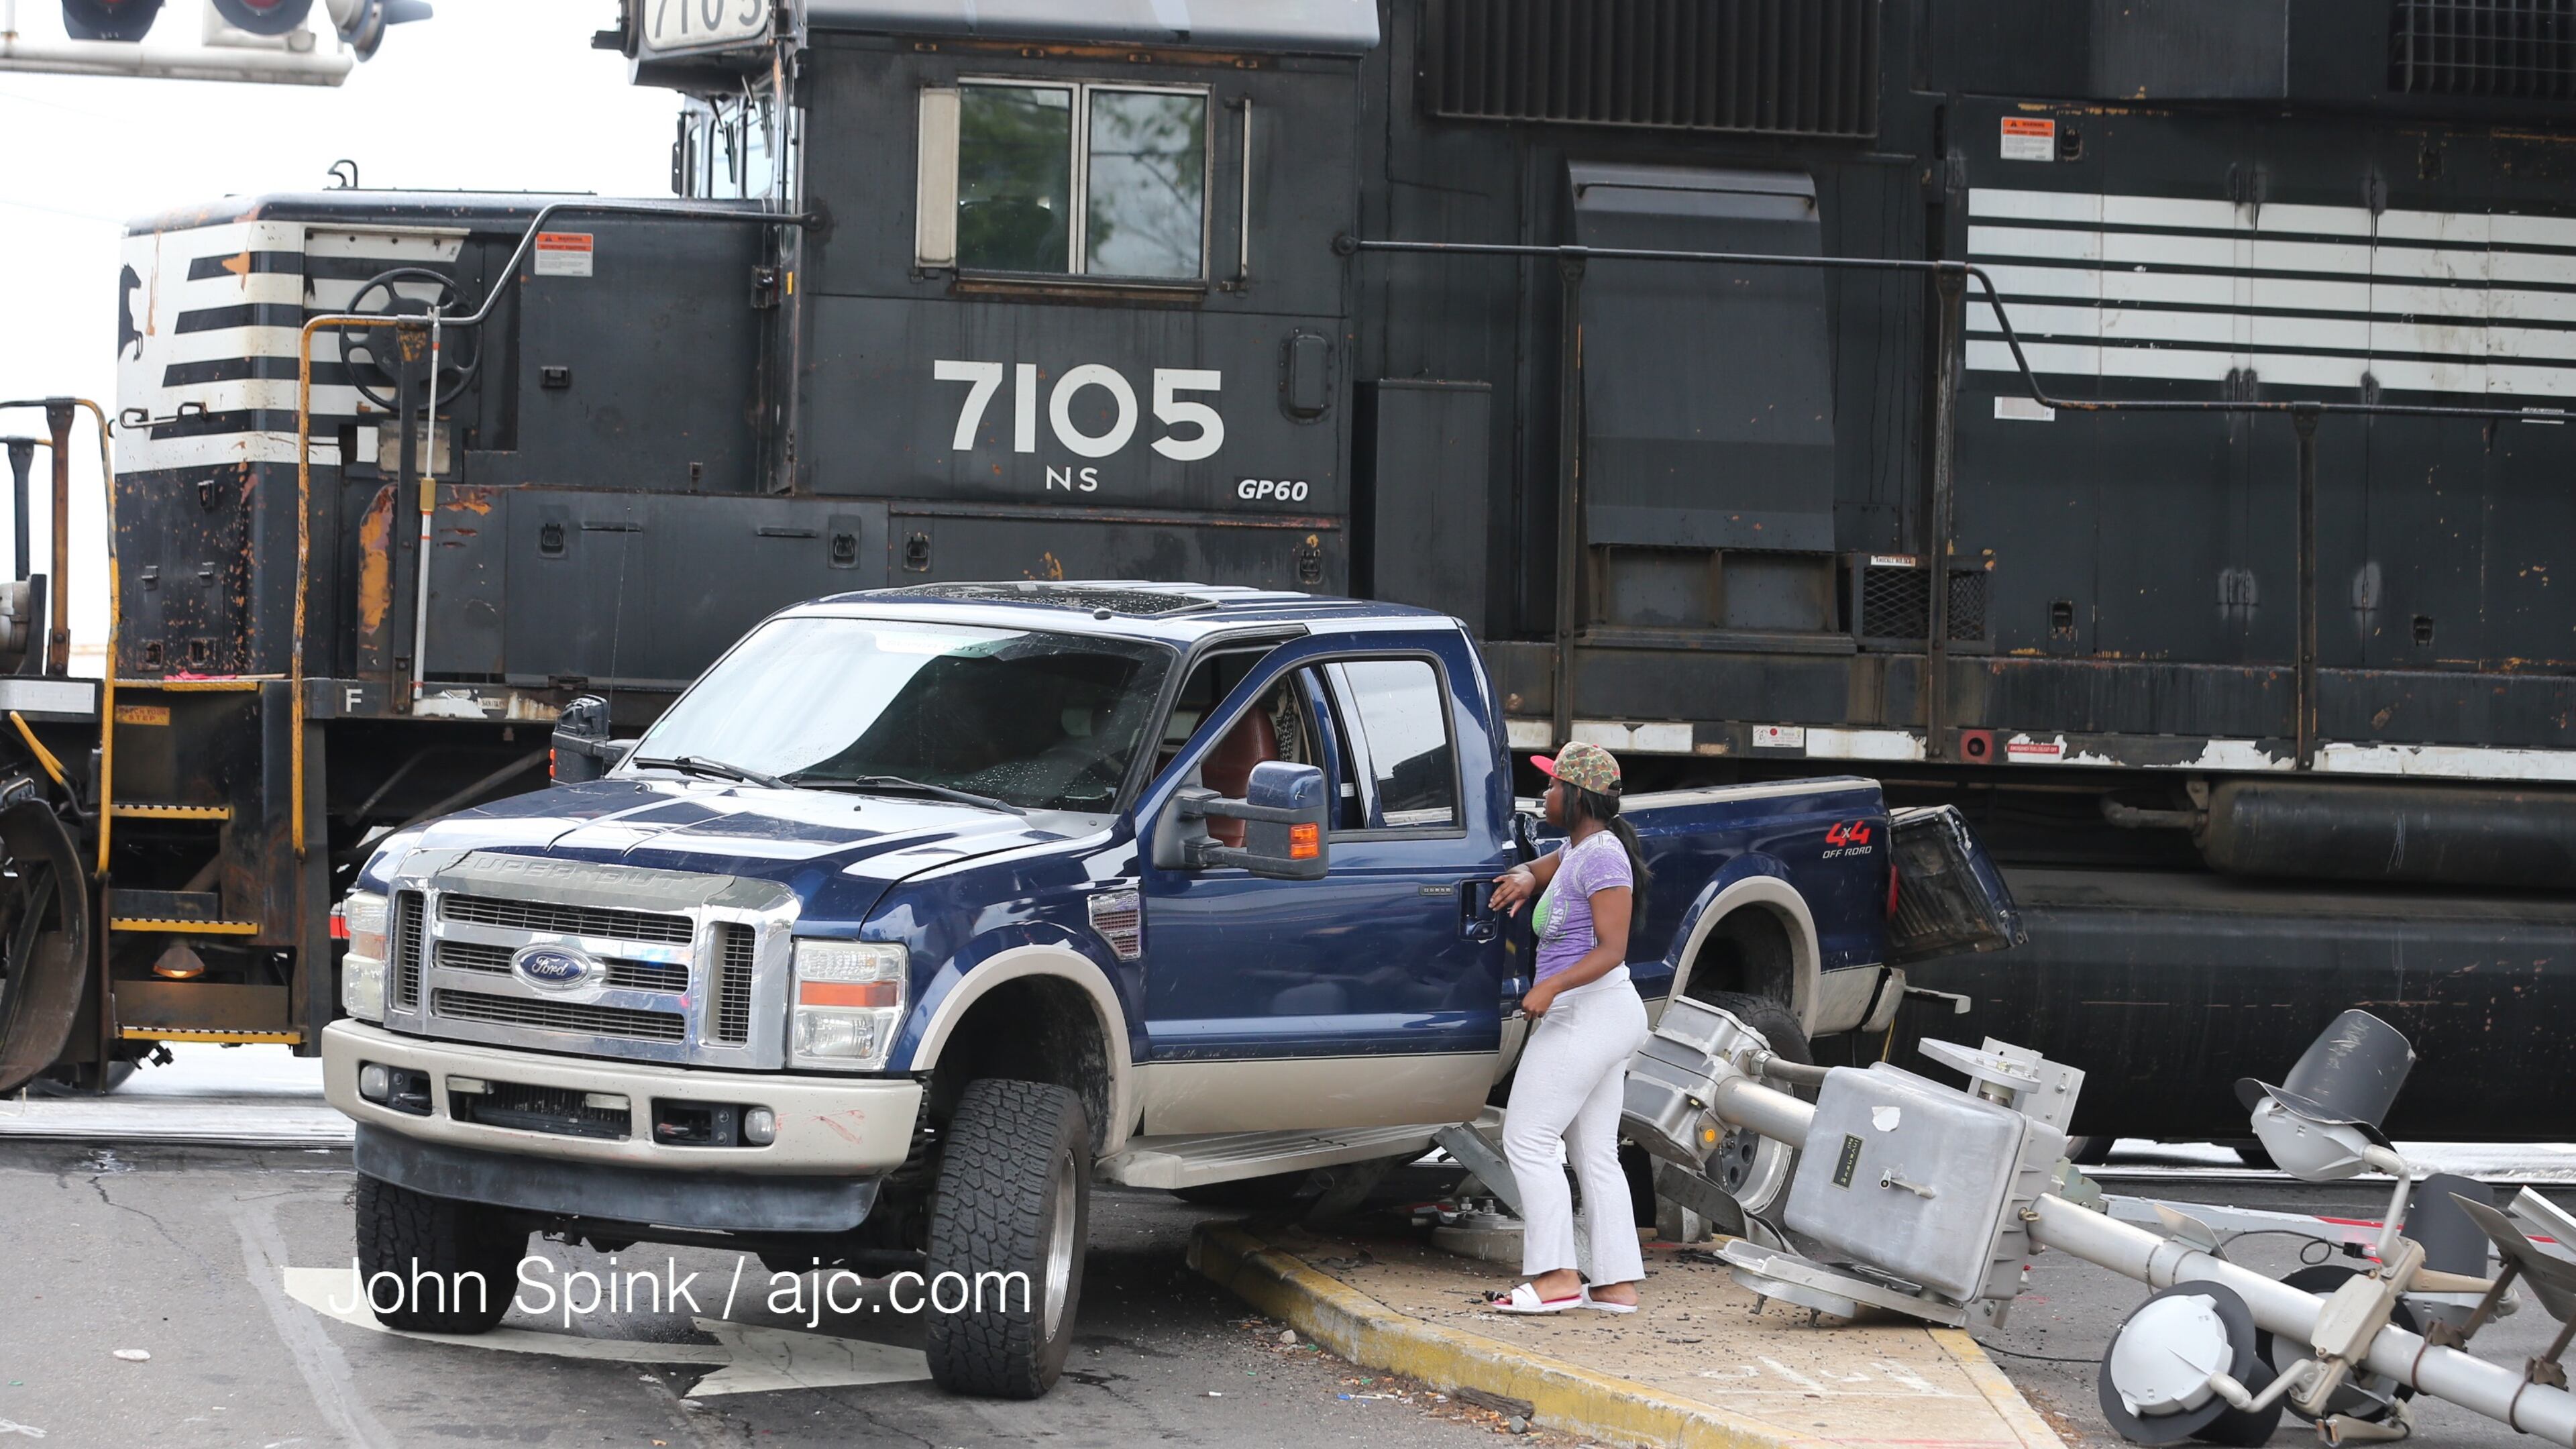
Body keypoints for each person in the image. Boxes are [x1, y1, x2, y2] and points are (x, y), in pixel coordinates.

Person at [1482, 741, 1654, 1314]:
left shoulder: (1603, 858)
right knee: (1594, 1151)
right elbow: (1548, 867)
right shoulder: (1582, 849)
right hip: (1600, 1014)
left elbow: (1612, 948)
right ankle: (1614, 1282)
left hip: (1587, 1010)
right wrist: (1530, 878)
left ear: (1578, 796)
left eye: (1554, 785)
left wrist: (1550, 985)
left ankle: (1555, 1276)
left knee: (1527, 1139)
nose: (1546, 793)